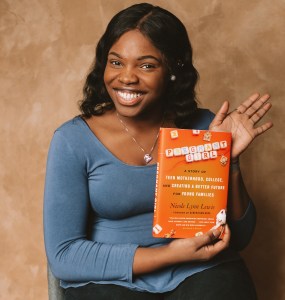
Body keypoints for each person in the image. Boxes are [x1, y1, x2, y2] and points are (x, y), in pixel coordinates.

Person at [43, 3, 273, 300]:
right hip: (110, 280)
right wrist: (171, 254)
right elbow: (64, 256)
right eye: (116, 62)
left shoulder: (206, 127)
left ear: (174, 70)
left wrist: (229, 161)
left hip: (199, 272)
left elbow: (240, 239)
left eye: (147, 65)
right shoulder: (73, 140)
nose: (126, 77)